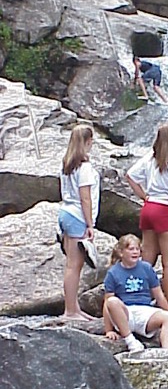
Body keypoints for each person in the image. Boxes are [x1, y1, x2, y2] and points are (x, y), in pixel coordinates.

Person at [125, 123, 168, 311]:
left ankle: (134, 299)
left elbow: (130, 176)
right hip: (167, 211)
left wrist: (144, 197)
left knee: (145, 261)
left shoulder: (150, 158)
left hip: (149, 209)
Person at [103, 234, 168, 354]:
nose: (135, 252)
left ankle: (166, 354)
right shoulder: (113, 273)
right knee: (112, 301)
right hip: (125, 313)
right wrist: (108, 330)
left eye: (137, 249)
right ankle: (131, 342)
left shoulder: (146, 268)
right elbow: (107, 303)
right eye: (131, 249)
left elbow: (159, 295)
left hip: (145, 312)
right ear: (121, 252)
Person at [58, 124, 100, 320]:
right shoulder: (84, 168)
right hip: (77, 216)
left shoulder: (67, 164)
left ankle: (74, 307)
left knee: (70, 264)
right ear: (88, 142)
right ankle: (70, 311)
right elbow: (86, 198)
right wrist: (90, 224)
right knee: (75, 266)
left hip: (65, 212)